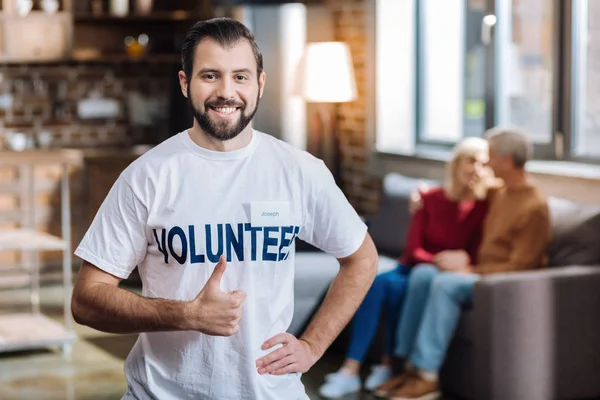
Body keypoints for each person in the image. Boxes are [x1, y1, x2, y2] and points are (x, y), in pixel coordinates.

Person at [70, 17, 379, 400]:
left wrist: (313, 346)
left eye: (241, 77)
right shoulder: (147, 176)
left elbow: (362, 258)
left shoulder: (300, 171)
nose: (226, 91)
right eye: (210, 76)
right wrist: (187, 314)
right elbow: (86, 300)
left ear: (260, 84)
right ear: (185, 83)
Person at [375, 127, 551, 400]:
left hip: (502, 282)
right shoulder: (500, 190)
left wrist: (471, 269)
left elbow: (522, 266)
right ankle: (406, 365)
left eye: (490, 156)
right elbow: (459, 190)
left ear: (505, 160)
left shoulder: (534, 207)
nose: (485, 164)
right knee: (422, 274)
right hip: (478, 272)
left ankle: (427, 375)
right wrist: (421, 194)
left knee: (445, 283)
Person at [318, 137, 491, 398]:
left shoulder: (483, 208)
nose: (476, 168)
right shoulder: (429, 198)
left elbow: (475, 253)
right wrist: (440, 259)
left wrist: (456, 262)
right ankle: (350, 370)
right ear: (456, 164)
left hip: (435, 277)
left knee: (400, 290)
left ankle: (387, 366)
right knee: (375, 283)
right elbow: (412, 250)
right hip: (413, 267)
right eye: (470, 161)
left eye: (483, 163)